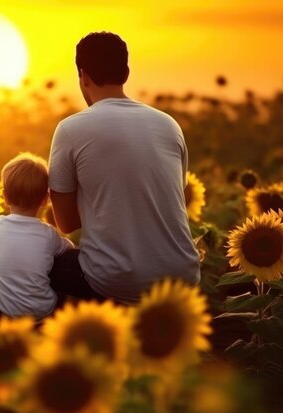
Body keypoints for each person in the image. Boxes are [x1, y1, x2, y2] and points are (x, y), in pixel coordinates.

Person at [48, 31, 200, 304]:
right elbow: (174, 195)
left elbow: (67, 223)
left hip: (117, 279)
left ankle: (52, 335)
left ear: (83, 76)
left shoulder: (71, 128)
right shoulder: (168, 125)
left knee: (13, 256)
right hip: (182, 276)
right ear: (126, 73)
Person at [0, 152, 74, 324]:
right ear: (45, 200)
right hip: (41, 316)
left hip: (0, 314)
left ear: (5, 197)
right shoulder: (48, 234)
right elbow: (70, 249)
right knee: (61, 262)